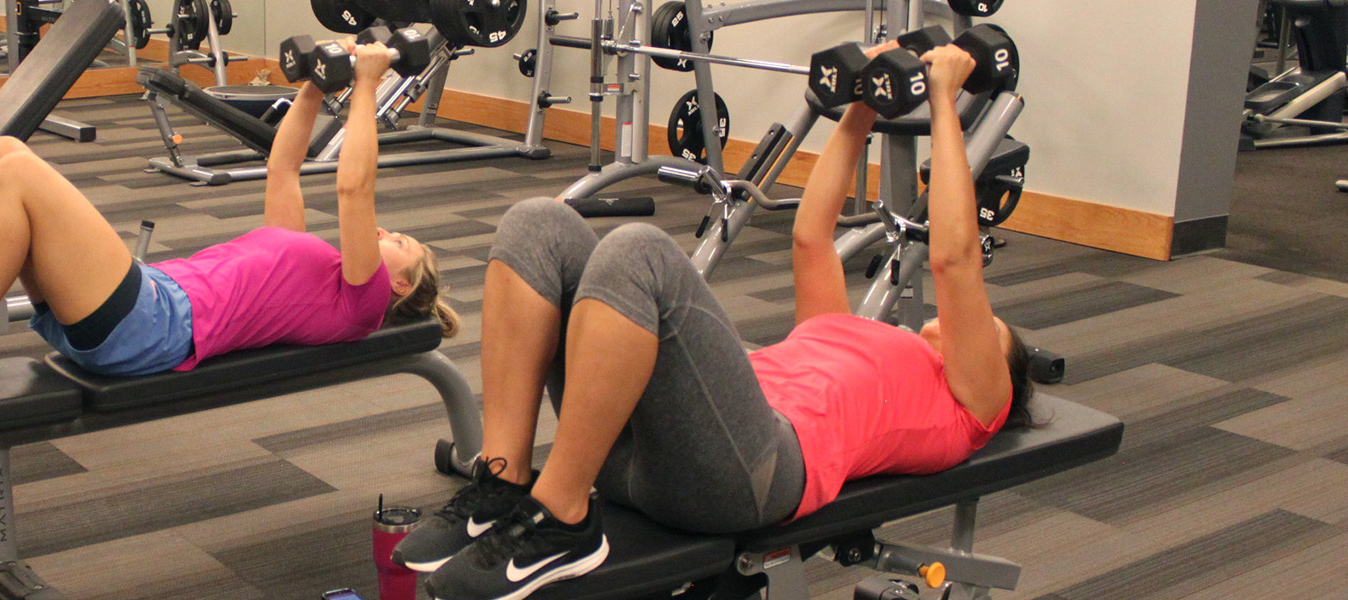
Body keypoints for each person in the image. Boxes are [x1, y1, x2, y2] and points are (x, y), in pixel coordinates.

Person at [400, 42, 1038, 600]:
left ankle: (562, 519)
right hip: (652, 447)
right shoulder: (854, 334)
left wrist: (947, 102)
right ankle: (503, 483)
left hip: (752, 472)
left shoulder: (974, 402)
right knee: (538, 224)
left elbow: (953, 261)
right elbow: (812, 240)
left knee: (639, 255)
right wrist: (862, 107)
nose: (962, 327)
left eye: (990, 330)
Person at [0, 40, 459, 417]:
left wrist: (368, 87)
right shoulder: (312, 263)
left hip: (152, 326)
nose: (387, 234)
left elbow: (354, 188)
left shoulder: (362, 299)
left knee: (16, 170)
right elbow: (283, 165)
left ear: (399, 286)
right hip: (141, 305)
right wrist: (315, 82)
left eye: (399, 245)